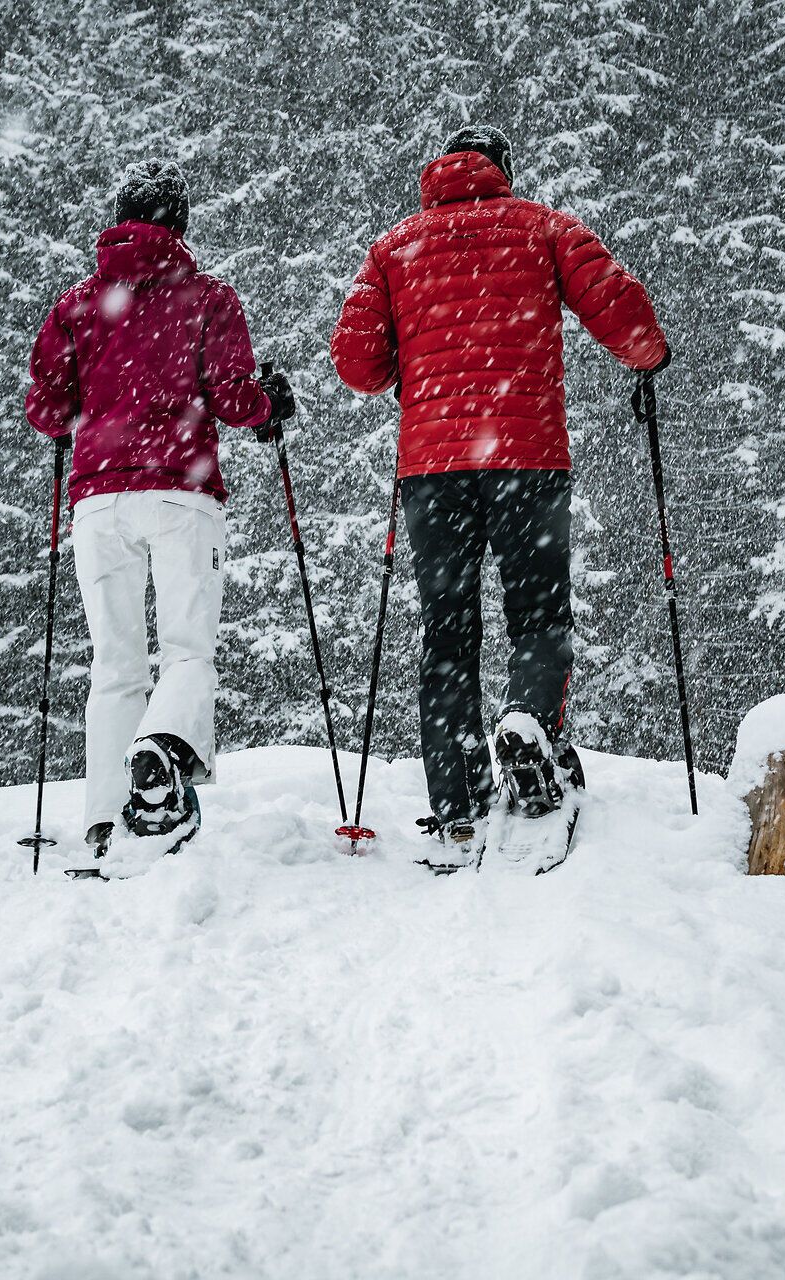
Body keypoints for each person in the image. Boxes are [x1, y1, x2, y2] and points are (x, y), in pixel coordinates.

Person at [330, 125, 668, 870]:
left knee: (447, 636)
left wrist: (407, 364)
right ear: (502, 172)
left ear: (440, 174)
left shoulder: (395, 248)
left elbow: (356, 363)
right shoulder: (544, 227)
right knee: (538, 616)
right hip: (527, 459)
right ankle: (527, 723)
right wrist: (652, 354)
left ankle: (455, 804)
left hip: (432, 470)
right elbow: (620, 310)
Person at [27, 159, 294, 864]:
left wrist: (83, 408)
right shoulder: (208, 297)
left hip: (97, 503)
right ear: (180, 223)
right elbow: (236, 401)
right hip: (181, 493)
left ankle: (106, 820)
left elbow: (45, 409)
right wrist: (271, 403)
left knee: (115, 663)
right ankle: (162, 749)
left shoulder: (78, 303)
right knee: (187, 649)